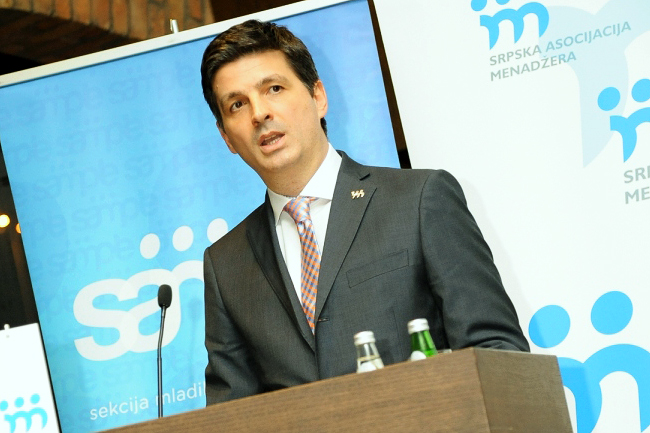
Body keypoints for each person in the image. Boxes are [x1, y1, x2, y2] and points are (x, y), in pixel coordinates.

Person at [200, 19, 529, 405]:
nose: (259, 113)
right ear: (226, 137)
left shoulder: (419, 200)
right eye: (237, 105)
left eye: (273, 88)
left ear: (318, 96)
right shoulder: (226, 264)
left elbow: (497, 353)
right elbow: (232, 415)